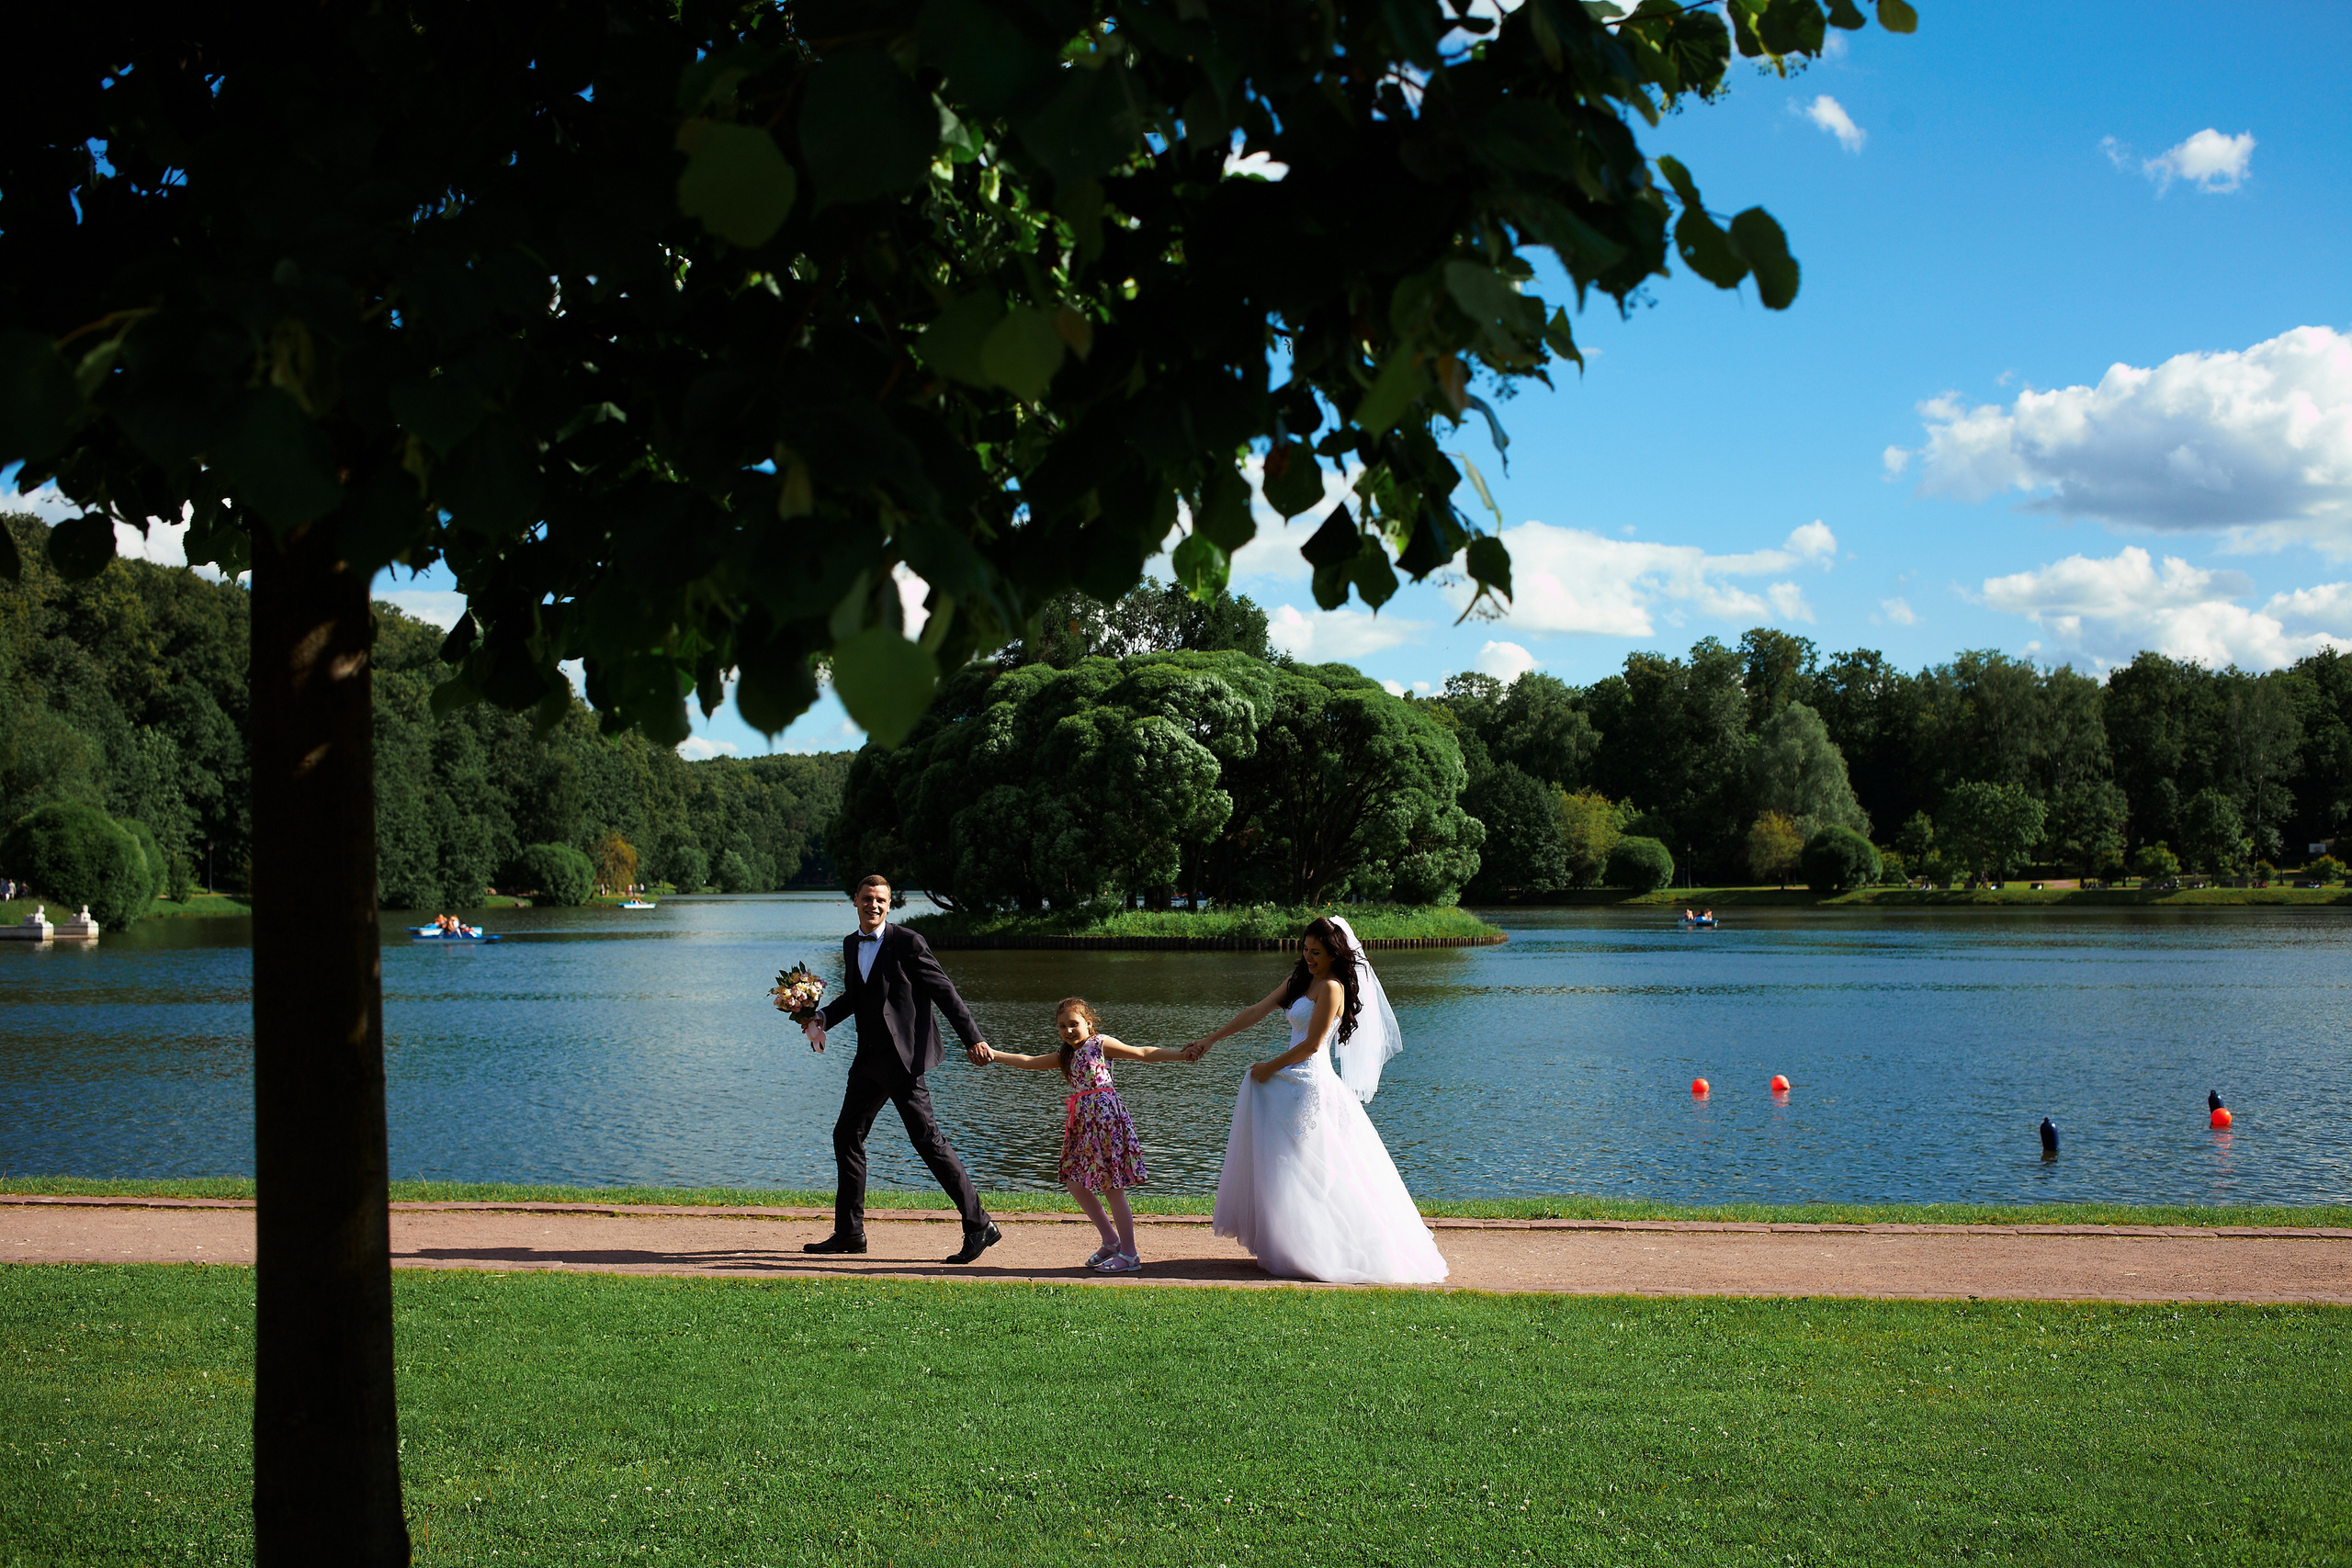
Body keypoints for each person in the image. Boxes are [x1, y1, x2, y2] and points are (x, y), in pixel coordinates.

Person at [1182, 916, 1448, 1285]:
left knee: (1313, 1166)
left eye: (1316, 952)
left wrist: (1269, 1068)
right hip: (1287, 1078)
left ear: (1334, 953)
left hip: (1310, 1083)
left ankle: (1328, 1248)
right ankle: (1289, 1244)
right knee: (1283, 1163)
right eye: (1305, 949)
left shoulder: (1333, 988)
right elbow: (1256, 1011)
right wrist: (1211, 1040)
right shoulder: (1300, 980)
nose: (1308, 957)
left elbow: (1311, 1044)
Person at [802, 874, 1001, 1264]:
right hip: (867, 1061)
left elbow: (944, 990)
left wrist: (972, 1038)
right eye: (866, 899)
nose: (872, 905)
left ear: (888, 905)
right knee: (846, 1135)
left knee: (927, 1141)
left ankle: (979, 1224)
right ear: (855, 901)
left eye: (880, 900)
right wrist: (821, 1015)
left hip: (903, 1061)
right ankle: (849, 1233)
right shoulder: (850, 943)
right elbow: (856, 996)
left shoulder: (908, 942)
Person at [979, 997, 1193, 1273]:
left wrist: (1180, 1053)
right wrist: (994, 1054)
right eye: (1062, 1026)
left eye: (1074, 1024)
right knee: (1073, 1182)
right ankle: (1111, 1241)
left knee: (1111, 1187)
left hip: (1105, 1121)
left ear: (1088, 1023)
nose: (1068, 1030)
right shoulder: (1065, 1055)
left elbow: (1142, 1052)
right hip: (1082, 1123)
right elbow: (1029, 1061)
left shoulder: (1100, 1044)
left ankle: (1130, 1255)